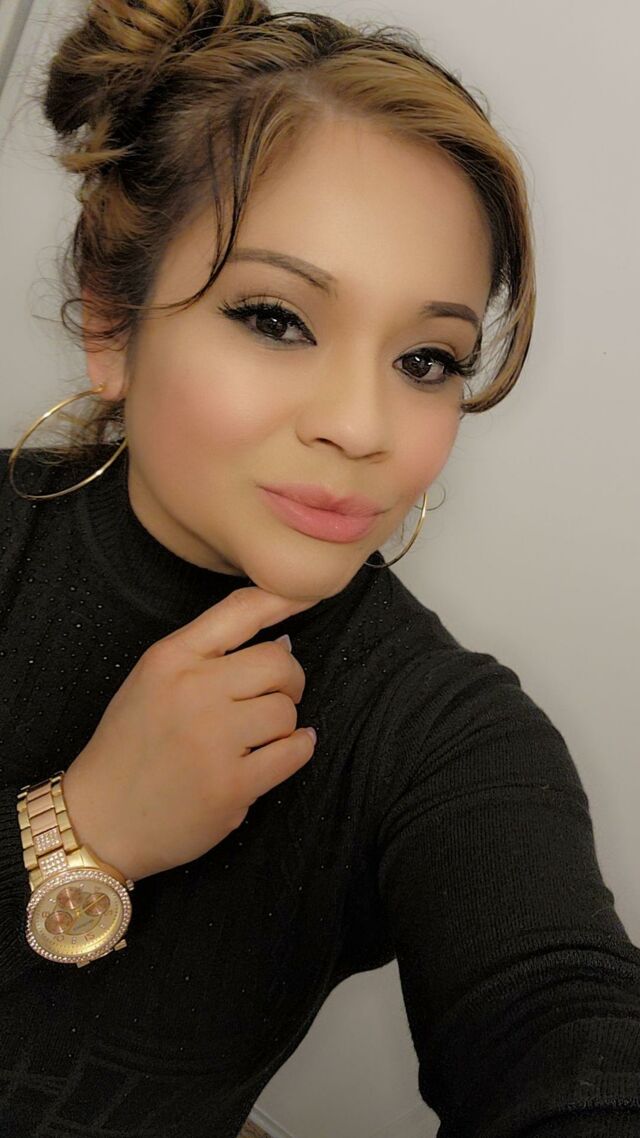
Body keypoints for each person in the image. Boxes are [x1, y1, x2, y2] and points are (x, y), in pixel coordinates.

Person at [1, 2, 639, 1135]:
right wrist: (81, 826)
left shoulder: (443, 729)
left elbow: (559, 1017)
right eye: (276, 319)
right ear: (111, 320)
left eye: (426, 358)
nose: (362, 426)